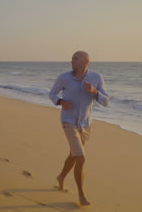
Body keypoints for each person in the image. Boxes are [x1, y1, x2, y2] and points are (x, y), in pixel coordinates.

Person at [49, 51, 109, 206]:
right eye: (72, 58)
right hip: (68, 121)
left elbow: (105, 101)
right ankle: (81, 194)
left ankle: (61, 177)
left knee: (74, 155)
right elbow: (52, 94)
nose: (72, 61)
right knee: (81, 158)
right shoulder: (64, 77)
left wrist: (94, 91)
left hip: (86, 124)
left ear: (85, 61)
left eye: (75, 58)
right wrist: (61, 102)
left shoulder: (96, 78)